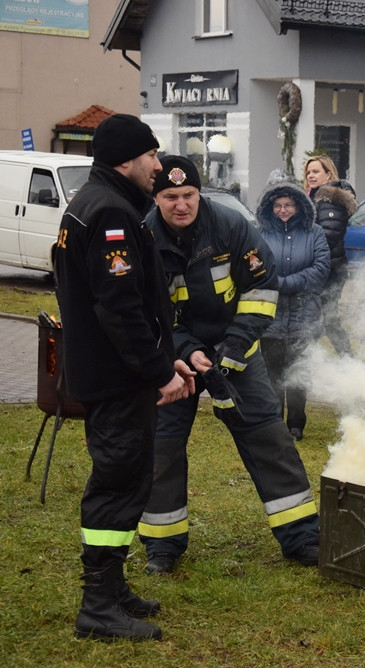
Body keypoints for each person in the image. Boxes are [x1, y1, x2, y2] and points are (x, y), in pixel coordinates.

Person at [137, 155, 321, 574]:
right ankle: (162, 547)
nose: (181, 204)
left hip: (236, 350)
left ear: (199, 193)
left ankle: (302, 537)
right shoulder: (143, 236)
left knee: (268, 437)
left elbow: (262, 288)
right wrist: (186, 352)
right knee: (161, 445)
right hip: (175, 360)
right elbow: (150, 311)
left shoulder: (231, 226)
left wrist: (234, 347)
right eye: (170, 196)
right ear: (156, 197)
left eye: (188, 195)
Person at [54, 114, 196, 641]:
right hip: (117, 380)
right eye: (152, 157)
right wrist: (160, 373)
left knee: (127, 479)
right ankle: (97, 606)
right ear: (126, 160)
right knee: (116, 483)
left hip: (114, 374)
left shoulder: (100, 202)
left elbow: (131, 305)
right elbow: (120, 308)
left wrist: (166, 358)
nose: (159, 168)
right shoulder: (111, 211)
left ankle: (112, 590)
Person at [256, 172, 331, 441]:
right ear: (269, 208)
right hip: (270, 314)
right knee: (273, 371)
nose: (283, 210)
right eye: (278, 205)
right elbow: (252, 266)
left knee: (298, 372)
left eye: (288, 205)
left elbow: (321, 268)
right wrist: (273, 282)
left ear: (299, 206)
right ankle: (274, 420)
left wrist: (287, 283)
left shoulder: (315, 232)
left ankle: (296, 423)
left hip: (304, 313)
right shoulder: (259, 233)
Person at [303, 155, 357, 355]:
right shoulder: (315, 197)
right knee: (320, 318)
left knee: (327, 318)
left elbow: (329, 235)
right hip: (326, 268)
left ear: (328, 174)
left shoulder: (329, 198)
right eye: (308, 172)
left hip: (329, 270)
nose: (311, 175)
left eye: (316, 171)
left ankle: (346, 359)